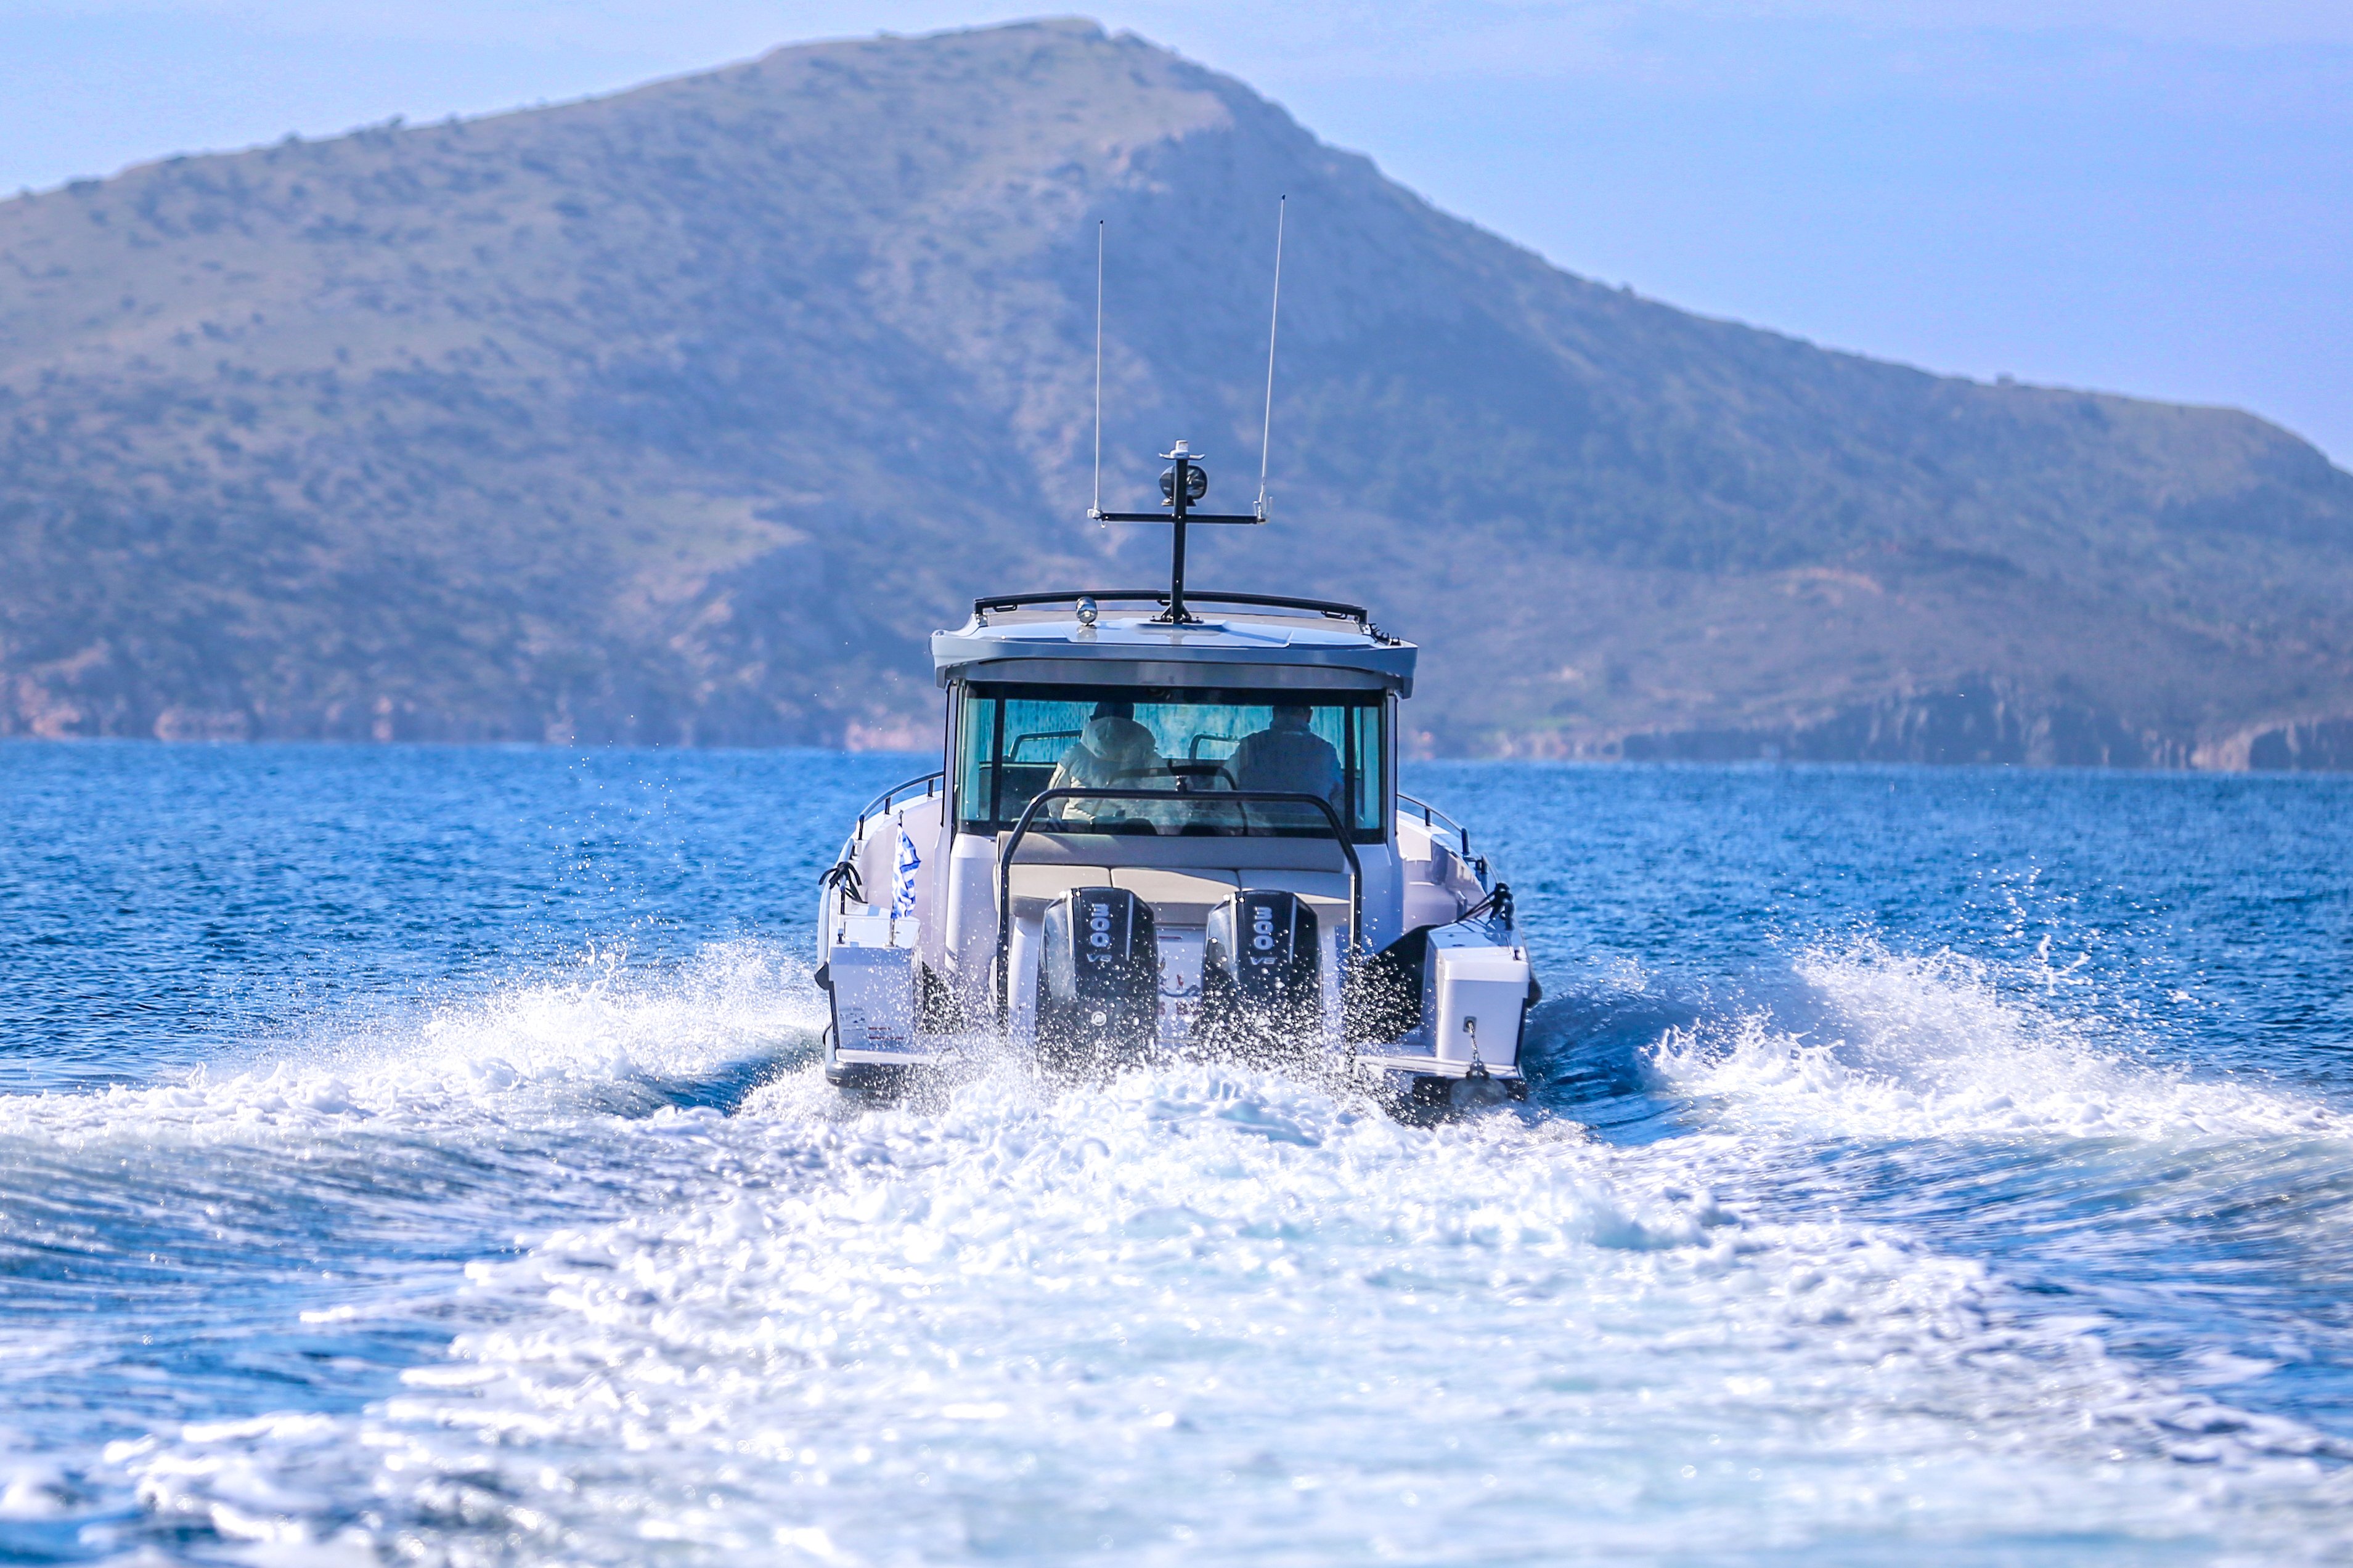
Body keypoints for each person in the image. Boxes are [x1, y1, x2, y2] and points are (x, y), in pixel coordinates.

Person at [1048, 700, 1164, 823]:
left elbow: (1054, 797)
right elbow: (1165, 801)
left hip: (1076, 830)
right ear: (1130, 720)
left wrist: (1056, 821)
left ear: (1095, 719)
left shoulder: (1075, 753)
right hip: (1129, 833)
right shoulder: (1148, 756)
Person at [1231, 704, 1344, 816]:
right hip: (1314, 830)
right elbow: (1338, 794)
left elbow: (1224, 785)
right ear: (1309, 716)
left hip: (1254, 829)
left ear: (1274, 713)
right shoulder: (1326, 751)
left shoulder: (1250, 745)